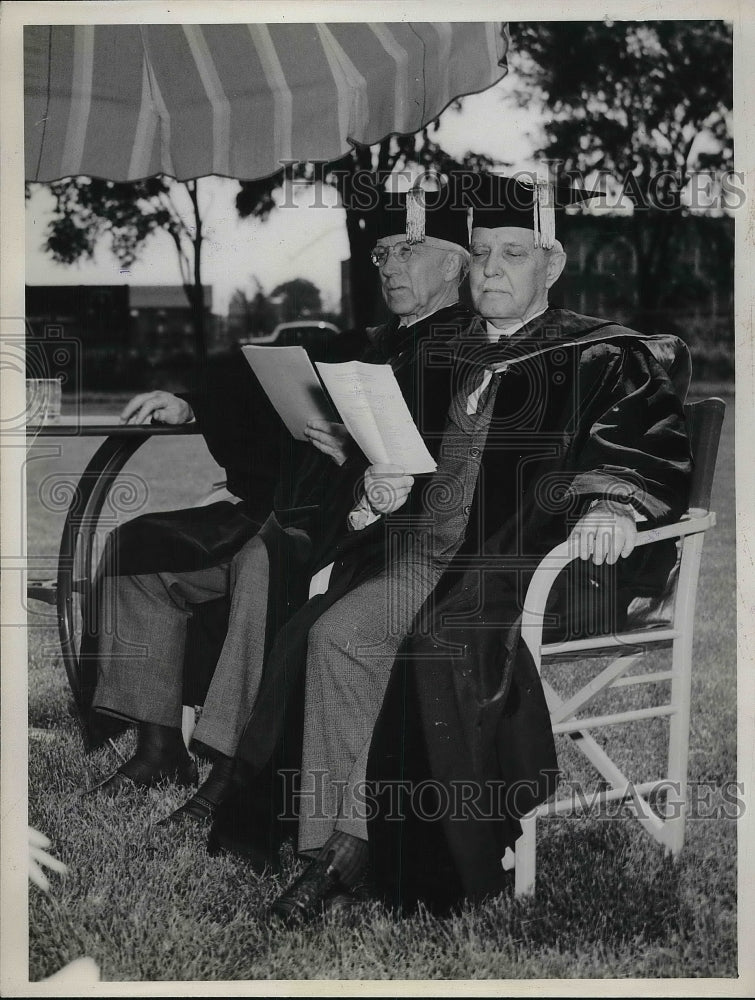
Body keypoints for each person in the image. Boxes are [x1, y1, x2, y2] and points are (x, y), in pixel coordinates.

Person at [228, 172, 692, 922]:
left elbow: (643, 445)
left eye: (513, 253)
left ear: (554, 264)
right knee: (337, 634)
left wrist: (611, 503)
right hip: (424, 552)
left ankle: (377, 850)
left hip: (524, 565)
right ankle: (325, 841)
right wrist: (375, 491)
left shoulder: (606, 356)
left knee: (437, 639)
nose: (492, 270)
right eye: (480, 254)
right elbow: (393, 454)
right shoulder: (441, 356)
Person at [83, 179, 472, 826]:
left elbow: (442, 469)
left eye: (408, 250)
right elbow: (256, 379)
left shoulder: (466, 352)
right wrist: (190, 401)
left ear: (457, 261)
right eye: (381, 254)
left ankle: (238, 767)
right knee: (140, 549)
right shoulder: (366, 341)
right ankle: (158, 744)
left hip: (373, 542)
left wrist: (360, 450)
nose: (390, 267)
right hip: (295, 512)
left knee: (263, 562)